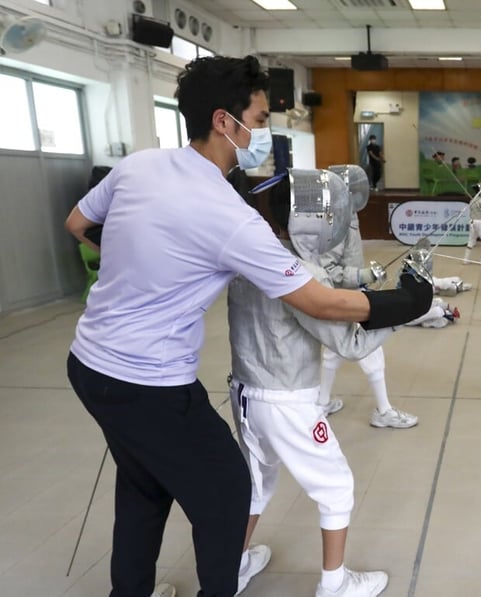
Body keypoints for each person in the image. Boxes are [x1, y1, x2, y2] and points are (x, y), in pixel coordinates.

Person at [62, 55, 432, 597]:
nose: (262, 132)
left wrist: (140, 265)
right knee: (229, 491)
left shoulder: (138, 165)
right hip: (150, 382)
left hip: (88, 363)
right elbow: (323, 304)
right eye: (259, 120)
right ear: (223, 121)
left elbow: (77, 223)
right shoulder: (230, 216)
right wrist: (407, 302)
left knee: (143, 485)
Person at [228, 168, 423, 597]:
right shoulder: (300, 271)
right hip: (287, 400)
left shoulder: (258, 254)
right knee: (336, 487)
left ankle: (234, 567)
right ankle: (335, 585)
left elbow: (323, 279)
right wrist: (408, 308)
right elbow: (351, 342)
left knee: (255, 484)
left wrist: (363, 280)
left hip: (245, 394)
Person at [317, 165, 418, 430]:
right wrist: (362, 275)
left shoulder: (345, 214)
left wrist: (366, 275)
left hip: (347, 294)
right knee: (370, 349)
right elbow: (327, 270)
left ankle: (321, 402)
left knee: (333, 351)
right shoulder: (335, 222)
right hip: (343, 297)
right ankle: (383, 411)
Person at [463, 192, 481, 265]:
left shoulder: (472, 200)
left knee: (471, 240)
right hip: (480, 222)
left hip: (472, 221)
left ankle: (465, 259)